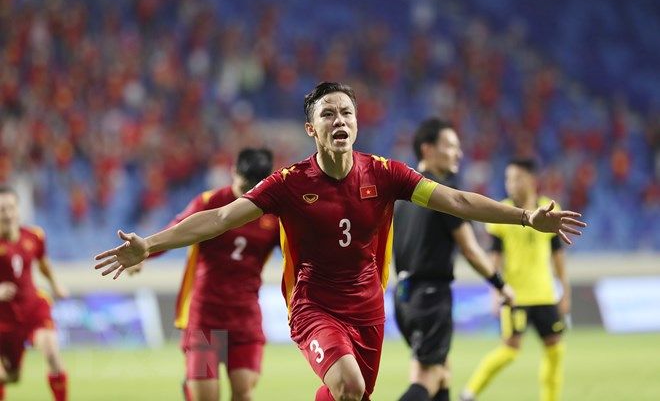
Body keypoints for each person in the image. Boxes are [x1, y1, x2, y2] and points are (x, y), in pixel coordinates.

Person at [94, 81, 585, 401]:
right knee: (345, 384)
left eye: (346, 112)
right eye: (328, 114)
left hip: (368, 309)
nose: (339, 121)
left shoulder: (386, 173)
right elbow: (219, 218)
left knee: (352, 395)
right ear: (312, 128)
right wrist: (150, 245)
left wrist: (525, 217)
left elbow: (455, 201)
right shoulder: (288, 182)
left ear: (357, 122)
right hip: (311, 305)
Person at [129, 148, 280, 401]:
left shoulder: (273, 215)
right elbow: (175, 231)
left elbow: (297, 251)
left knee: (244, 393)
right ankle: (192, 387)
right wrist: (144, 254)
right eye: (245, 185)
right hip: (206, 319)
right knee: (206, 397)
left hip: (245, 318)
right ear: (233, 172)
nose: (249, 194)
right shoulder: (209, 203)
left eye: (256, 186)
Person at [393, 118, 515, 401]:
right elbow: (471, 250)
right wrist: (500, 284)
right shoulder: (444, 195)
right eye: (450, 146)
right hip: (431, 296)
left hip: (403, 297)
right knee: (428, 378)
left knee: (442, 373)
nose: (458, 153)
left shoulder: (401, 197)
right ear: (428, 149)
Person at [459, 158, 571, 401]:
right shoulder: (502, 212)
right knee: (509, 351)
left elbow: (558, 256)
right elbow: (495, 258)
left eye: (517, 178)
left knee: (556, 350)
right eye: (508, 178)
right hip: (515, 295)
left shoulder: (550, 209)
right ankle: (468, 394)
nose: (511, 184)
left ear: (532, 180)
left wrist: (565, 291)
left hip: (544, 294)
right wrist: (494, 292)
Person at [0, 186, 68, 401]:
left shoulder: (35, 236)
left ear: (18, 209)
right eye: (2, 210)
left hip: (33, 308)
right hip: (4, 318)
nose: (8, 214)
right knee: (9, 377)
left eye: (11, 208)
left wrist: (56, 284)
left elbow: (43, 264)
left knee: (53, 357)